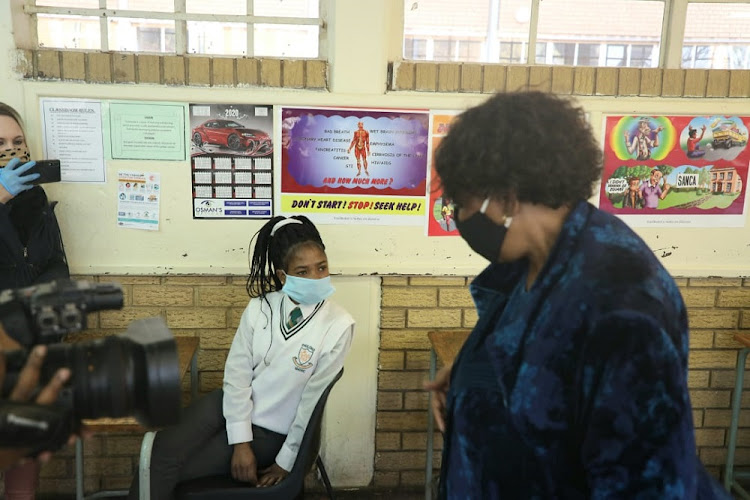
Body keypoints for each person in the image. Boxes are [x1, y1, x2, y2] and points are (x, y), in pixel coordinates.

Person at [426, 91, 729, 499]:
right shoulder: (540, 261)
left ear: (507, 194)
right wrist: (471, 376)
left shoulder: (621, 306)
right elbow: (539, 358)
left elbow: (644, 485)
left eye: (462, 204)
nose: (461, 219)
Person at [128, 215, 355, 500]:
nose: (317, 278)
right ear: (284, 277)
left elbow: (310, 407)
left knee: (166, 471)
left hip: (271, 430)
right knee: (157, 454)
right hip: (230, 403)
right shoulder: (260, 308)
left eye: (322, 268)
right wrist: (240, 441)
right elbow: (237, 373)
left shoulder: (338, 325)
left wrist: (285, 462)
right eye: (304, 271)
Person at [0, 103, 69, 500]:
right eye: (0, 144)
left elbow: (52, 262)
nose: (11, 151)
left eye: (17, 142)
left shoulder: (33, 198)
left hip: (27, 353)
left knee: (22, 473)